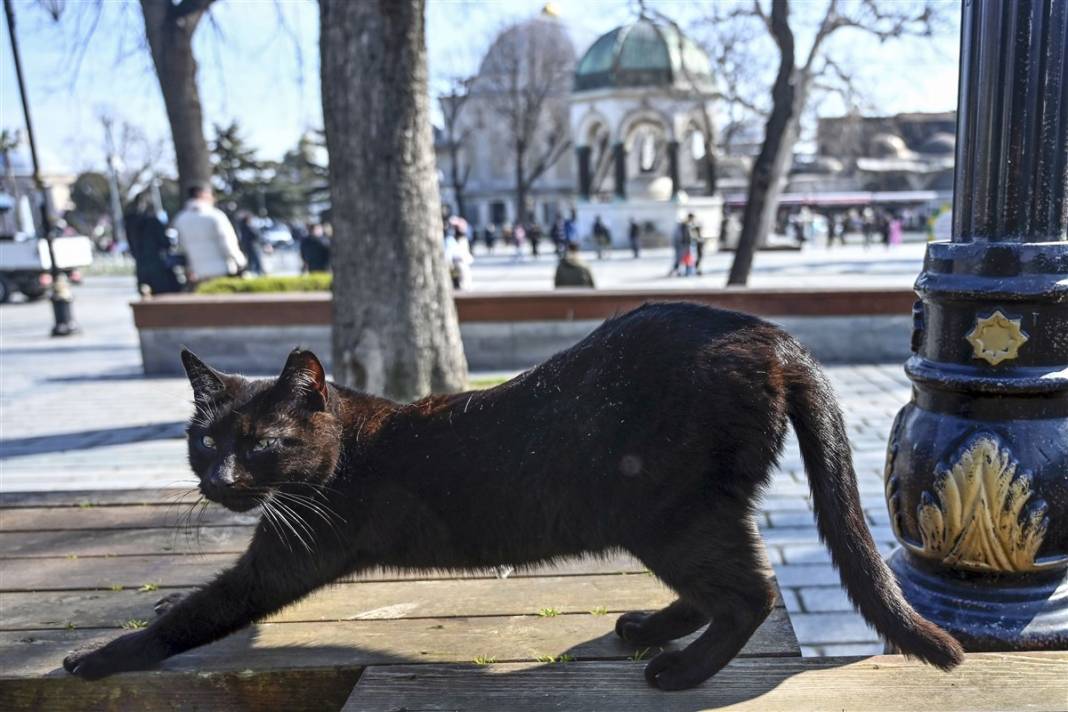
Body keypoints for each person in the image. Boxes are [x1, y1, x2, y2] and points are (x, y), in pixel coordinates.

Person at [171, 184, 246, 285]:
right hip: (222, 269)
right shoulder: (215, 216)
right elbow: (228, 243)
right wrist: (240, 261)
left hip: (197, 271)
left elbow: (181, 247)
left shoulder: (180, 218)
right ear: (203, 194)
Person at [124, 196, 181, 295]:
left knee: (146, 295)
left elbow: (131, 246)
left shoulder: (130, 225)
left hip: (140, 266)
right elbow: (165, 243)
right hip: (157, 266)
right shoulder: (153, 222)